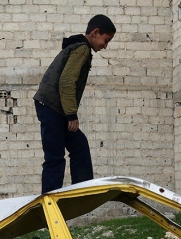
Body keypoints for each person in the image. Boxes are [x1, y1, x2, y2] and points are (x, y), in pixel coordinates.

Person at [33, 14, 116, 193]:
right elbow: (67, 81)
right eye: (106, 40)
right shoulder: (82, 49)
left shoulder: (77, 47)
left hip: (55, 107)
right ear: (96, 32)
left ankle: (82, 190)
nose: (105, 46)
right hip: (52, 107)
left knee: (79, 145)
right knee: (54, 156)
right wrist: (71, 115)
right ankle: (49, 200)